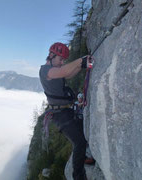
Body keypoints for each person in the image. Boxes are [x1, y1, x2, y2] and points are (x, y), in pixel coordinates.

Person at [39, 42, 93, 180]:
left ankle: (83, 157)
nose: (62, 62)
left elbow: (68, 74)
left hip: (66, 111)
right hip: (59, 115)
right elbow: (64, 71)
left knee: (83, 133)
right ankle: (78, 176)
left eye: (63, 60)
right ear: (51, 55)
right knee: (79, 142)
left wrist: (82, 65)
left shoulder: (56, 69)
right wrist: (81, 60)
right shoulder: (45, 70)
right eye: (60, 59)